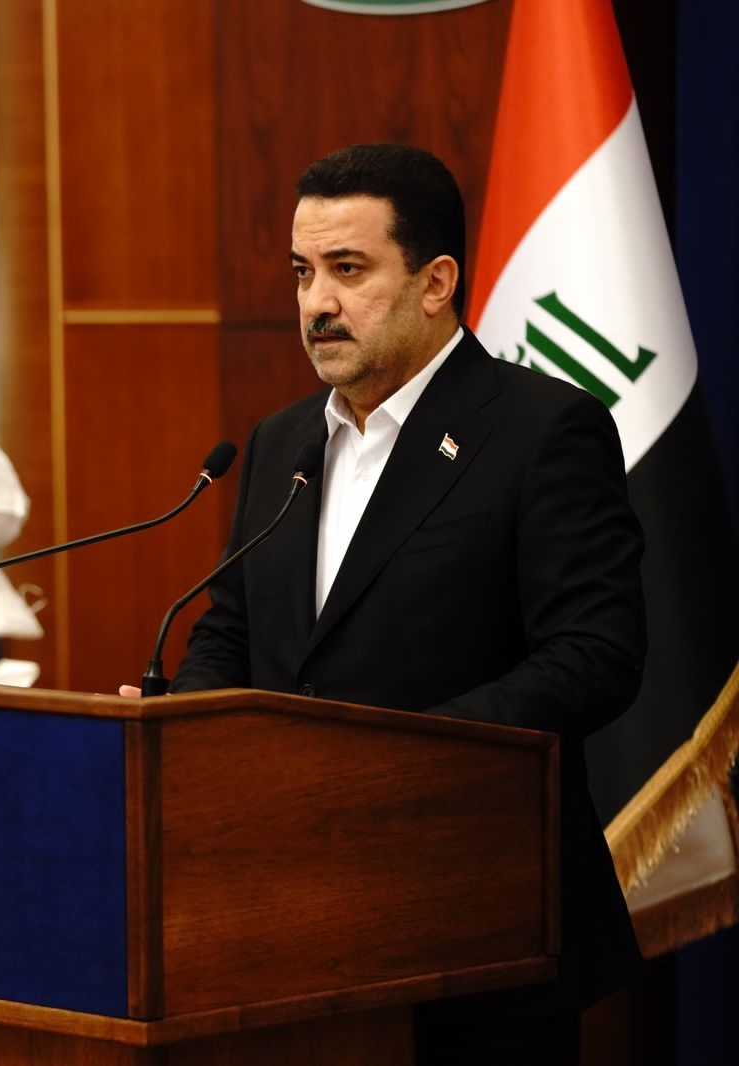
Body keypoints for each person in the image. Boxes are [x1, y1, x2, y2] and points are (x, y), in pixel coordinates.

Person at [169, 143, 646, 1064]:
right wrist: (185, 740)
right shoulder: (279, 442)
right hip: (280, 914)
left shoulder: (544, 430)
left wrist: (393, 766)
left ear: (436, 283)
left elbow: (594, 656)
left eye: (348, 270)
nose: (316, 303)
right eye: (303, 272)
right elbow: (230, 631)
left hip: (475, 914)